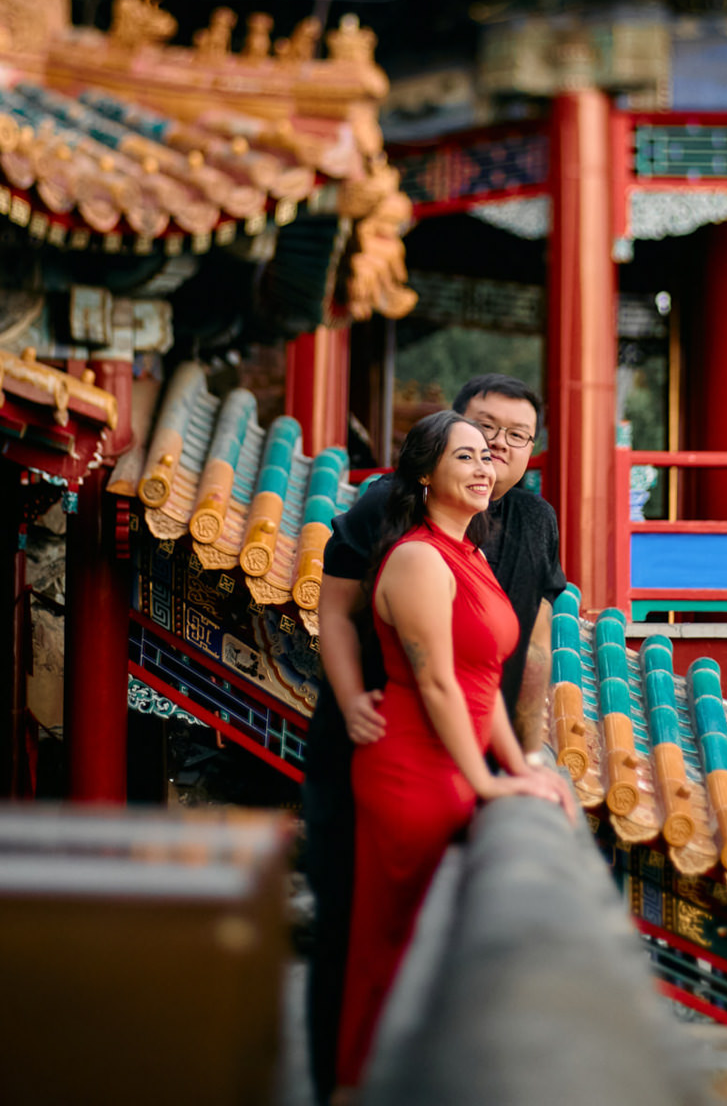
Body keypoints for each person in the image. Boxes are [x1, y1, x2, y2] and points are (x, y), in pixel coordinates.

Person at [303, 373, 564, 1103]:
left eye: (515, 439)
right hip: (384, 741)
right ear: (450, 433)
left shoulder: (518, 527)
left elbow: (514, 663)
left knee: (427, 936)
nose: (496, 453)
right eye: (482, 435)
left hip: (466, 751)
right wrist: (353, 699)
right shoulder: (397, 518)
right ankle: (339, 1082)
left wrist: (525, 757)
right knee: (353, 931)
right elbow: (338, 611)